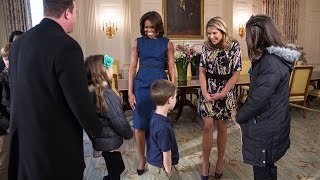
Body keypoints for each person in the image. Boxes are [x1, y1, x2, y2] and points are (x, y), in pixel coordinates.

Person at [8, 0, 100, 179]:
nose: (76, 16)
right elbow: (79, 101)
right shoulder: (67, 46)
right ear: (67, 12)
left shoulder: (18, 44)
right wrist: (97, 134)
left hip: (25, 145)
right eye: (76, 12)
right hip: (54, 149)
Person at [236, 14, 299, 180]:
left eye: (249, 36)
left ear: (257, 35)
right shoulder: (270, 59)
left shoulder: (270, 61)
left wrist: (240, 116)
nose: (247, 40)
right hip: (272, 122)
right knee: (268, 167)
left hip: (267, 127)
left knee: (263, 171)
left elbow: (258, 99)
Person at [128, 11, 176, 175]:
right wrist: (130, 92)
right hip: (141, 86)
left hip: (160, 84)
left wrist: (173, 91)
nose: (148, 30)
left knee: (158, 124)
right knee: (140, 126)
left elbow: (171, 67)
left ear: (158, 27)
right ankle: (143, 158)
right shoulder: (137, 42)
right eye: (145, 27)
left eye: (152, 27)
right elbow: (132, 68)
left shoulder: (167, 43)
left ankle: (158, 157)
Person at [198, 16, 242, 180]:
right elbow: (201, 70)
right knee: (208, 126)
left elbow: (236, 73)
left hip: (226, 90)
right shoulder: (206, 46)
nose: (211, 37)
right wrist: (203, 91)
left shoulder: (234, 46)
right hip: (207, 90)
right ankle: (205, 164)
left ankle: (220, 161)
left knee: (223, 127)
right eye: (208, 33)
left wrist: (223, 93)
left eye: (214, 33)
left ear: (222, 31)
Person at [85, 54, 133, 180]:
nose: (112, 70)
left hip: (103, 140)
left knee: (116, 168)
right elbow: (118, 120)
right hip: (109, 142)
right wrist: (129, 134)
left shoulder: (92, 91)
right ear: (103, 71)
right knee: (116, 171)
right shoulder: (106, 94)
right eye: (110, 68)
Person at [146, 79, 181, 180]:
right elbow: (166, 153)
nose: (176, 100)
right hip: (161, 167)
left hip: (153, 162)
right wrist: (169, 172)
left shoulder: (153, 114)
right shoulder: (163, 128)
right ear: (170, 100)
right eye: (175, 97)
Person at [0, 43, 11, 180]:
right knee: (3, 165)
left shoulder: (19, 76)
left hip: (17, 126)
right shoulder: (1, 78)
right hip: (5, 129)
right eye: (6, 58)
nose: (8, 61)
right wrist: (7, 125)